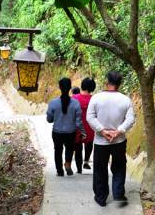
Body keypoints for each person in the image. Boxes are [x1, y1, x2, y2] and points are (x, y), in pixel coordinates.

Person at [86, 71, 135, 207]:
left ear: (106, 83)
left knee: (100, 168)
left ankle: (101, 197)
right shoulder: (126, 100)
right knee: (119, 166)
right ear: (119, 84)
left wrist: (102, 130)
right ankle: (118, 193)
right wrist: (118, 131)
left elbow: (89, 117)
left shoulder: (96, 98)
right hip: (118, 141)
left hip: (101, 141)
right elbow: (131, 119)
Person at [46, 78, 85, 176]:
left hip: (57, 132)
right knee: (69, 149)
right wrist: (83, 132)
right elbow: (78, 122)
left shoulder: (53, 103)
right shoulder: (76, 103)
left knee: (58, 151)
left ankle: (59, 171)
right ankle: (68, 164)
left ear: (60, 87)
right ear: (70, 88)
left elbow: (49, 119)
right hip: (70, 132)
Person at [74, 77, 96, 171]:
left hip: (77, 126)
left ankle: (79, 168)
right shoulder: (94, 99)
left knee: (77, 146)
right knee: (89, 143)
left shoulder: (74, 98)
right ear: (92, 87)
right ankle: (86, 161)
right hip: (89, 126)